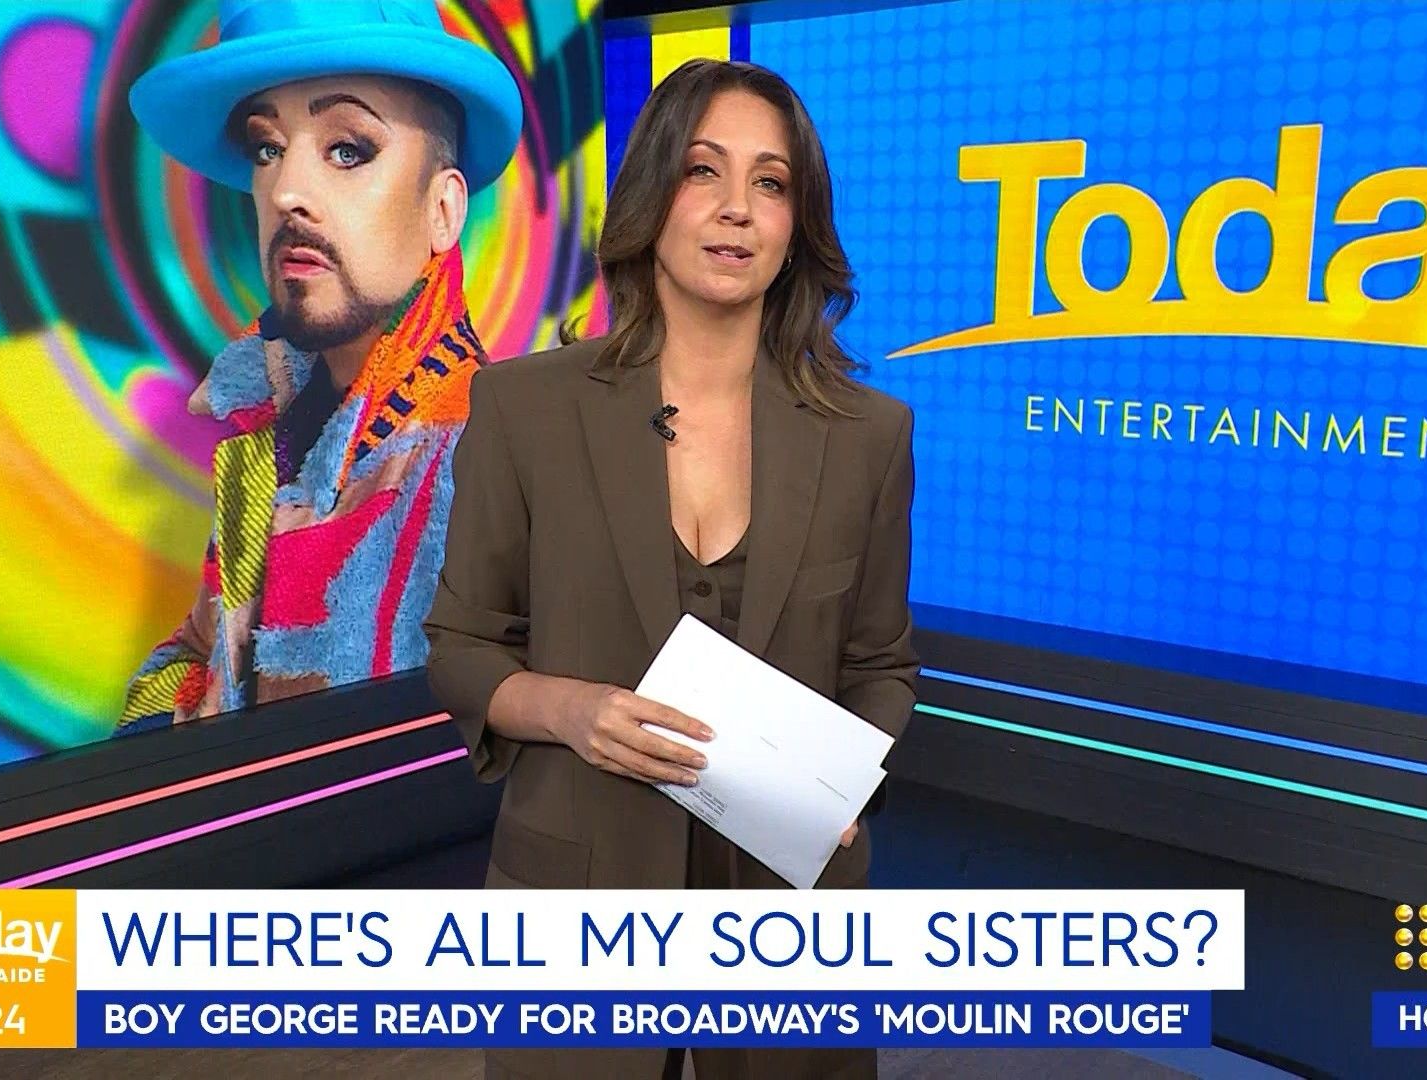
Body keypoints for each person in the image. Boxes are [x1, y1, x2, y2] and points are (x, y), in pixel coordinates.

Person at [424, 58, 918, 1080]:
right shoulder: (525, 409)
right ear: (654, 194)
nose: (738, 209)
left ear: (797, 225)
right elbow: (464, 649)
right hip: (579, 904)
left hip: (792, 916)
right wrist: (572, 711)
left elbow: (880, 665)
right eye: (704, 171)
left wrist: (839, 790)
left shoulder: (869, 435)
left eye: (771, 183)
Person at [114, 0, 521, 732]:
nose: (285, 193)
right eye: (267, 149)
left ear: (443, 210)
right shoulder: (267, 434)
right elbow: (201, 651)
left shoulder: (497, 453)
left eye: (347, 151)